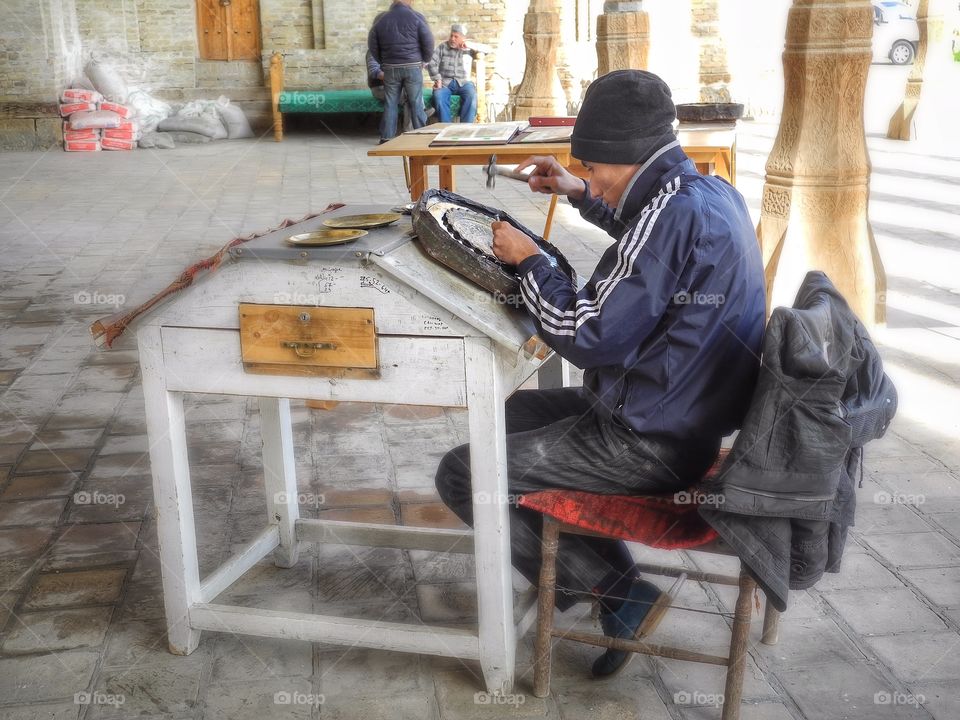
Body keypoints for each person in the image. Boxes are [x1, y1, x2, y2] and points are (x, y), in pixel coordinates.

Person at [435, 70, 766, 678]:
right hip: (679, 417)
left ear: (627, 157)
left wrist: (532, 262)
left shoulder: (670, 215)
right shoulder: (708, 194)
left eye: (592, 170)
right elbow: (652, 244)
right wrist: (581, 195)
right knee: (506, 418)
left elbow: (585, 334)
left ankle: (617, 594)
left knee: (464, 470)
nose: (589, 179)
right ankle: (596, 580)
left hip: (649, 444)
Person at [367, 0, 434, 142]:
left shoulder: (381, 19)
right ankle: (422, 137)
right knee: (416, 101)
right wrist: (424, 60)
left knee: (391, 103)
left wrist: (383, 61)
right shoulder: (417, 17)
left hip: (390, 67)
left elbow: (372, 44)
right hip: (413, 66)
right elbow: (428, 41)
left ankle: (386, 137)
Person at [426, 24, 481, 124]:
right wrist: (437, 79)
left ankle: (465, 128)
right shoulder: (443, 47)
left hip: (464, 83)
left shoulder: (469, 49)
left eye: (456, 37)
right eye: (451, 35)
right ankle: (446, 128)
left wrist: (471, 45)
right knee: (438, 95)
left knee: (472, 96)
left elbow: (488, 51)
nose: (452, 39)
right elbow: (431, 62)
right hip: (445, 83)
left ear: (462, 38)